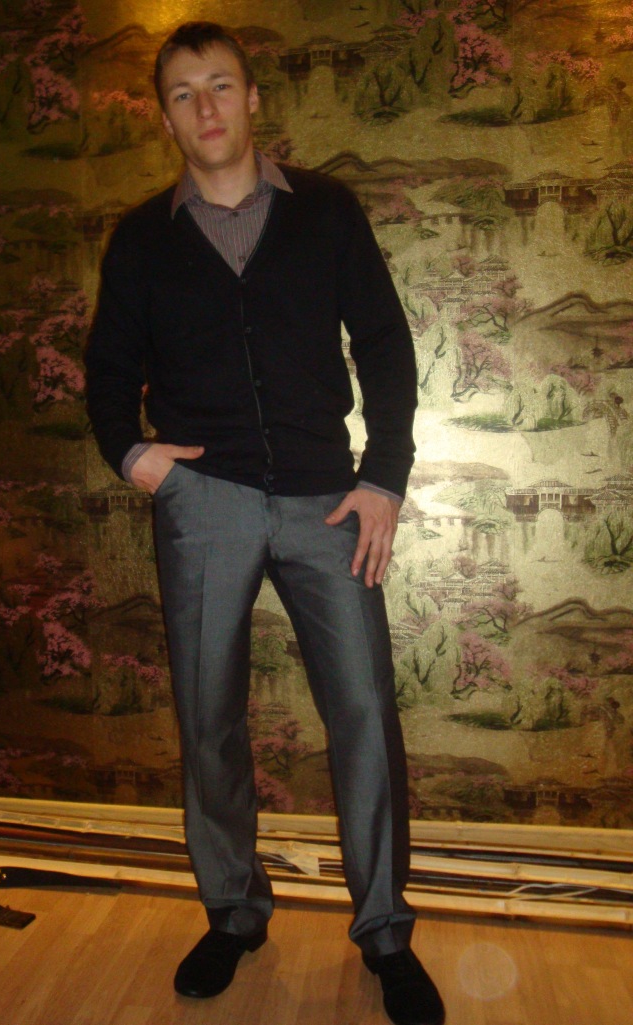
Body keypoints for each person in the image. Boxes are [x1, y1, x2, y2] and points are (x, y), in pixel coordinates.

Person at [84, 21, 444, 1025]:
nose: (205, 106)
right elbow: (108, 370)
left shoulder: (325, 210)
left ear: (252, 98)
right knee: (208, 717)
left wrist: (384, 477)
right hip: (205, 503)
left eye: (220, 85)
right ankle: (235, 911)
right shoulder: (140, 238)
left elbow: (384, 343)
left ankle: (384, 932)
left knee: (364, 711)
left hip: (330, 501)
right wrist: (133, 454)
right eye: (183, 93)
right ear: (166, 118)